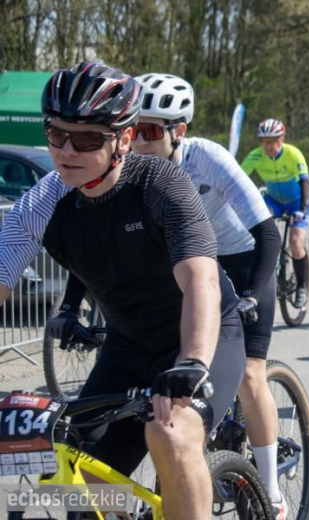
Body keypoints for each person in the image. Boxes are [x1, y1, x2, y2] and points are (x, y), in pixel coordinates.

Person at [0, 62, 247, 520]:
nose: (67, 150)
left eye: (87, 140)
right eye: (56, 134)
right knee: (78, 472)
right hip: (128, 346)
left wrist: (192, 361)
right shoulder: (41, 203)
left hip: (200, 337)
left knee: (170, 434)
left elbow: (201, 279)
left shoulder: (161, 185)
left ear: (124, 140)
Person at [123, 73, 285, 517]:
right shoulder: (132, 169)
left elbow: (268, 232)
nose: (138, 142)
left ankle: (271, 490)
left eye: (150, 130)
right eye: (132, 130)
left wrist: (252, 293)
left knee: (250, 375)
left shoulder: (207, 158)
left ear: (179, 130)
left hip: (243, 259)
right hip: (194, 266)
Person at [241, 119, 309, 308]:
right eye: (263, 141)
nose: (267, 146)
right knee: (256, 233)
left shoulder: (293, 153)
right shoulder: (255, 156)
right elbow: (237, 179)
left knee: (296, 242)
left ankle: (302, 286)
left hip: (296, 202)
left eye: (271, 141)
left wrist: (302, 210)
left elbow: (305, 183)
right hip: (273, 201)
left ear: (281, 139)